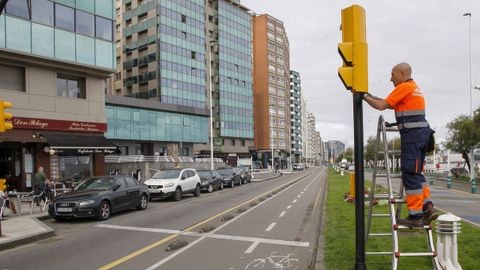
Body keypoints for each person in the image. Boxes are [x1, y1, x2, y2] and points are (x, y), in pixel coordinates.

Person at [363, 62, 438, 227]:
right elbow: (389, 102)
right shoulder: (413, 88)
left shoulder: (404, 87)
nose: (390, 79)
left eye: (393, 75)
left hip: (413, 137)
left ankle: (416, 216)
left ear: (403, 73)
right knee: (417, 173)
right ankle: (428, 207)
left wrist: (363, 97)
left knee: (410, 175)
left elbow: (382, 106)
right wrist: (371, 96)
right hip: (422, 135)